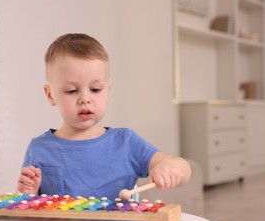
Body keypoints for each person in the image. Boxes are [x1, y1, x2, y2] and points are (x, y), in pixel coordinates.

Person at [17, 33, 191, 201]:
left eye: (95, 90)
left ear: (107, 91)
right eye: (71, 91)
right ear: (50, 95)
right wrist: (28, 194)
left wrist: (170, 168)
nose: (85, 99)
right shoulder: (39, 148)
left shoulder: (126, 143)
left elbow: (184, 169)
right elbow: (27, 207)